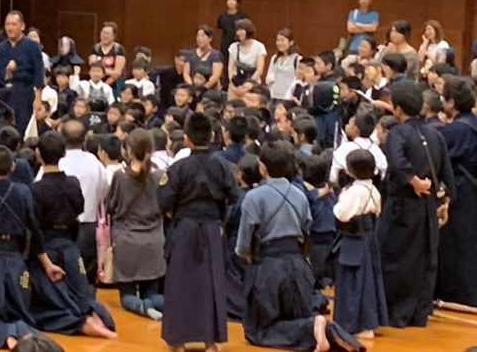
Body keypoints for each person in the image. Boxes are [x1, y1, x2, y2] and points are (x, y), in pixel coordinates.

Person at [236, 141, 364, 351]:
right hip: (299, 267)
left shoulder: (253, 196)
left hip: (268, 267)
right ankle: (324, 329)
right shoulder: (300, 195)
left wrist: (251, 260)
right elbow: (307, 231)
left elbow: (243, 245)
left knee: (258, 331)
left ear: (263, 167)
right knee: (294, 317)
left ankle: (314, 326)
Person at [0, 145, 65, 349]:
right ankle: (18, 331)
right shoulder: (24, 193)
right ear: (13, 167)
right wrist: (47, 263)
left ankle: (3, 335)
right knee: (19, 312)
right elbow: (34, 231)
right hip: (15, 258)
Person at [157, 112, 238, 352]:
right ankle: (211, 341)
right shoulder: (221, 165)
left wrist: (175, 214)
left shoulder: (179, 167)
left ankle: (178, 340)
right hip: (213, 227)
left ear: (187, 139)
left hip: (185, 226)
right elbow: (234, 195)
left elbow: (162, 200)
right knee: (211, 282)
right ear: (212, 136)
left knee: (179, 283)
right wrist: (221, 216)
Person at [379, 81, 453, 328]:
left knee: (396, 259)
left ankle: (396, 314)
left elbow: (396, 161)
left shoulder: (399, 132)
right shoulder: (435, 133)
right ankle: (419, 314)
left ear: (397, 108)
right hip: (429, 206)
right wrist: (445, 201)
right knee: (424, 259)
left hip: (403, 205)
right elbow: (446, 172)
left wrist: (413, 181)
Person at [29, 130, 116, 338]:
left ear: (39, 154)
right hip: (70, 245)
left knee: (45, 302)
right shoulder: (73, 183)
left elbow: (34, 226)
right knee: (80, 291)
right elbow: (79, 208)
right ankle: (94, 316)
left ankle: (81, 323)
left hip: (47, 248)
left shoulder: (36, 189)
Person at [106, 129, 166, 318]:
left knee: (126, 296)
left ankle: (141, 306)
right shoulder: (160, 175)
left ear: (128, 150)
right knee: (154, 293)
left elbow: (111, 205)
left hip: (126, 241)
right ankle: (150, 303)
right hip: (154, 241)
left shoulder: (120, 176)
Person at [332, 149, 388, 338]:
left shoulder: (354, 191)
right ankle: (368, 322)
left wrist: (342, 195)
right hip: (369, 239)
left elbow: (341, 213)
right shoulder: (374, 190)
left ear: (351, 170)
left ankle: (353, 324)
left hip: (353, 239)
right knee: (368, 280)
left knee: (352, 281)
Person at [434, 75, 477, 307]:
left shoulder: (453, 131)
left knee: (456, 243)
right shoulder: (473, 124)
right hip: (472, 189)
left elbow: (438, 161)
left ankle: (459, 295)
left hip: (461, 191)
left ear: (450, 102)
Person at [0, 11, 45, 136]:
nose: (10, 28)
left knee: (22, 127)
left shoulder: (32, 46)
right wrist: (7, 71)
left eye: (13, 24)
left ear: (22, 26)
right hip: (5, 93)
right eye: (7, 24)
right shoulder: (2, 47)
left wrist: (38, 99)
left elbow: (39, 72)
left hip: (25, 91)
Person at [228, 18, 267, 93]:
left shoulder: (259, 46)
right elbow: (231, 67)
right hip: (236, 84)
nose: (239, 33)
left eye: (242, 30)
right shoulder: (233, 46)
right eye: (237, 30)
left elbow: (260, 69)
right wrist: (232, 82)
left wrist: (249, 83)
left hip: (253, 84)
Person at [183, 25, 224, 90]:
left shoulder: (216, 55)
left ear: (210, 38)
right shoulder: (190, 54)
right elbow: (186, 73)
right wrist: (191, 85)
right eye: (198, 36)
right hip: (193, 88)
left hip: (210, 89)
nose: (199, 38)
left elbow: (216, 75)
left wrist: (205, 87)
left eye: (202, 36)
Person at [89, 22, 126, 92]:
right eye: (103, 33)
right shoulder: (95, 48)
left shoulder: (119, 49)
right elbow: (93, 68)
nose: (105, 35)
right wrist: (108, 71)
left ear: (114, 36)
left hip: (114, 85)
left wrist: (105, 85)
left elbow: (117, 73)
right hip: (96, 84)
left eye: (108, 33)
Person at [266, 28, 300, 101]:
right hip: (273, 96)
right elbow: (269, 76)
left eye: (282, 40)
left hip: (287, 97)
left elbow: (298, 80)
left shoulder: (297, 59)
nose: (279, 43)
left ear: (291, 42)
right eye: (278, 40)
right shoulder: (274, 58)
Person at [216, 0, 247, 64]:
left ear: (237, 3)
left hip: (239, 43)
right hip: (225, 44)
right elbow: (219, 29)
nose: (230, 1)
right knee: (226, 63)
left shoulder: (242, 16)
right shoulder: (222, 16)